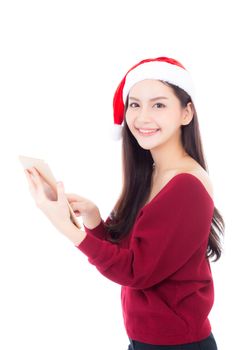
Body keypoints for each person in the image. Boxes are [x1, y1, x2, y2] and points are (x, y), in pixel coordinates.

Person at [24, 57, 225, 350]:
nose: (143, 117)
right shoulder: (156, 174)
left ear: (186, 113)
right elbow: (135, 255)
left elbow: (135, 272)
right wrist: (93, 221)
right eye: (135, 104)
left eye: (159, 105)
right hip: (147, 341)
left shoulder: (186, 185)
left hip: (176, 345)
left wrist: (68, 230)